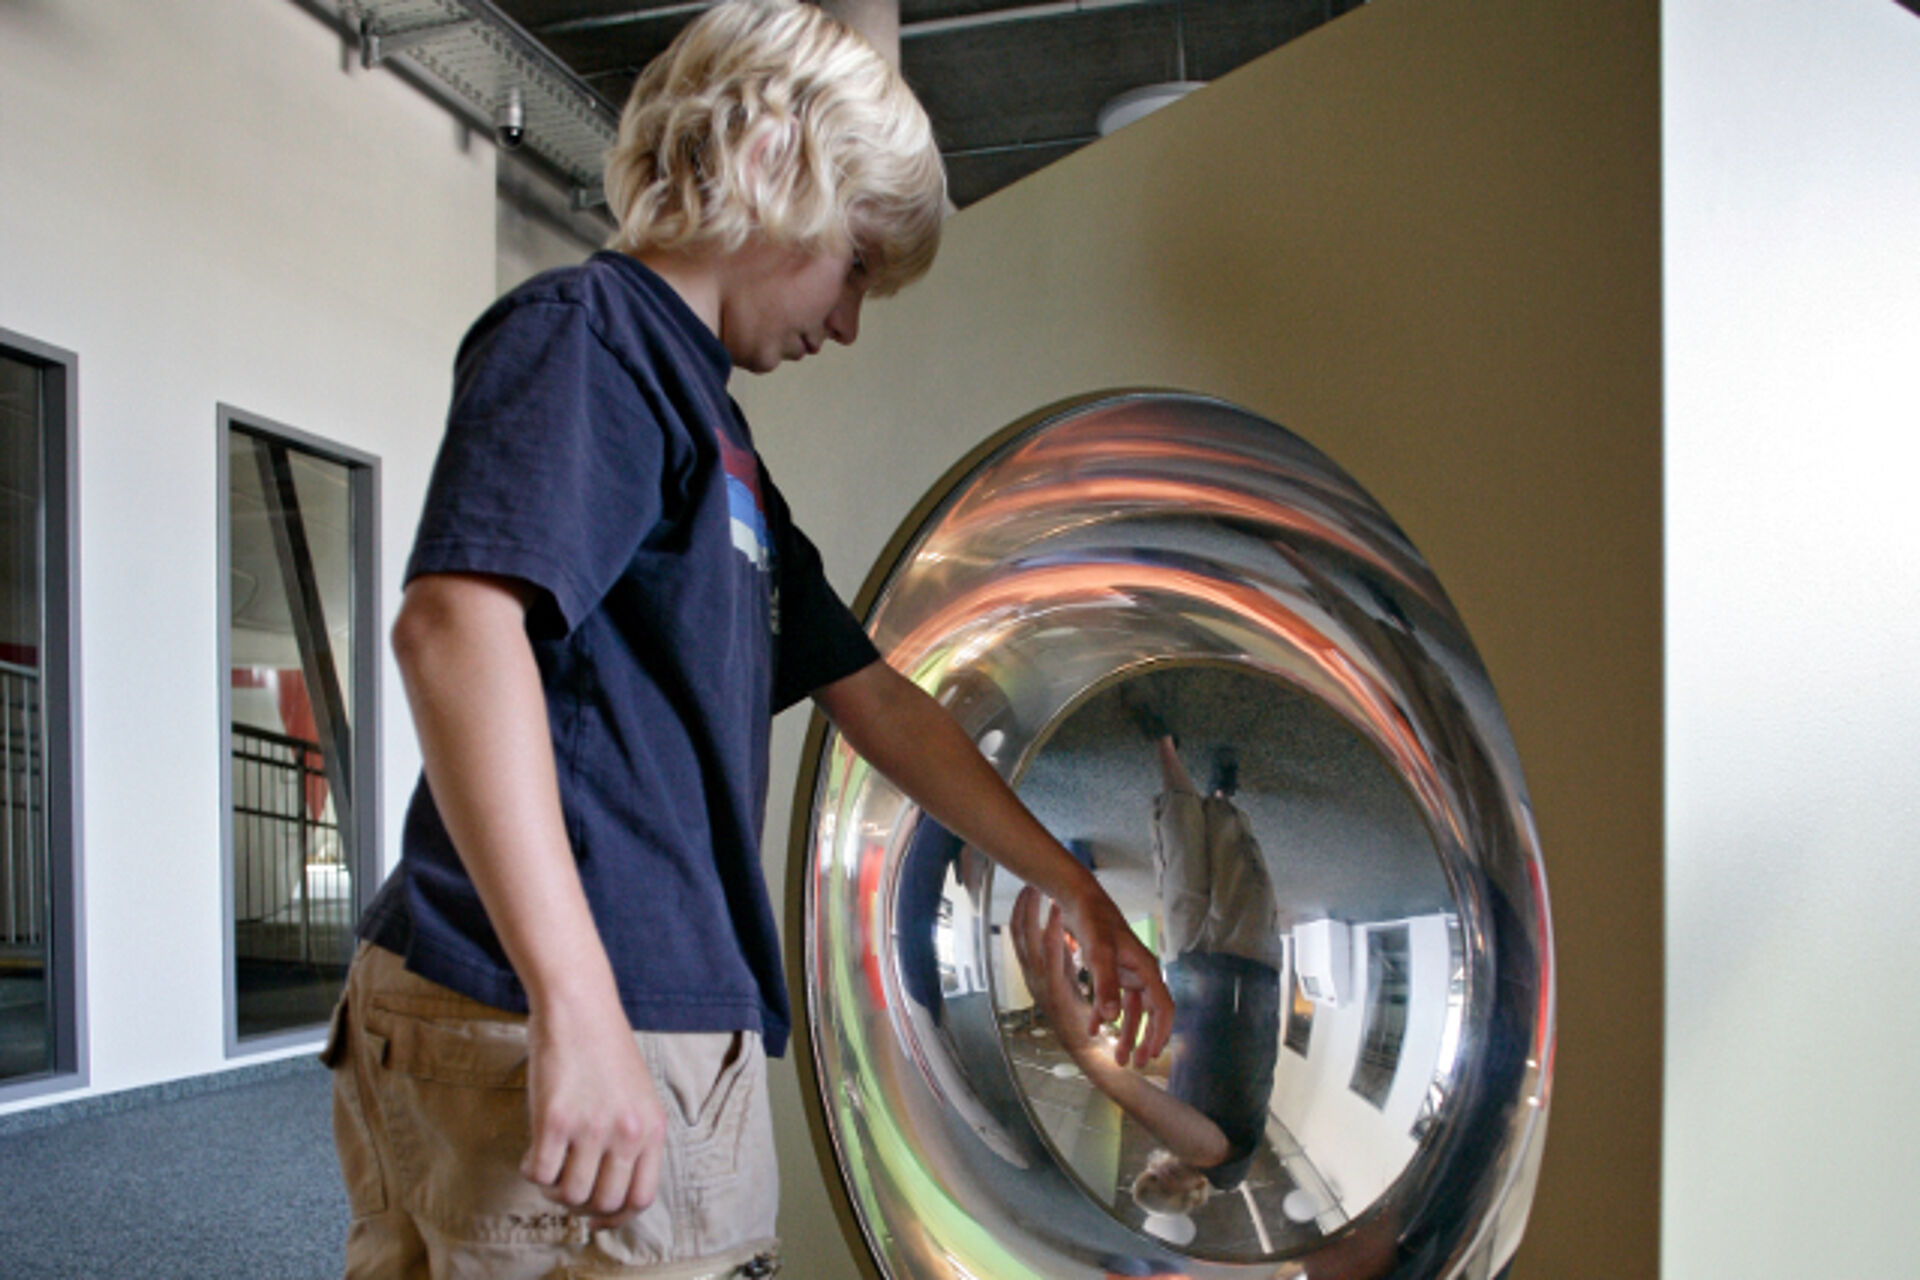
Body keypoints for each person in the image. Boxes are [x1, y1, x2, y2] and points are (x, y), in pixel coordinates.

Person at [319, 4, 1172, 1277]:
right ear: (774, 161)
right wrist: (578, 1001)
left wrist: (1074, 885)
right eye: (857, 266)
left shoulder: (716, 435)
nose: (850, 322)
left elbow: (878, 700)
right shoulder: (589, 335)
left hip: (644, 1001)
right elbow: (453, 626)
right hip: (554, 996)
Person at [1015, 708, 1281, 1228]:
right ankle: (1222, 796)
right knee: (1234, 855)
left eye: (1151, 1178)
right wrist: (1080, 1046)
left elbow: (1168, 1073)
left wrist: (1109, 1027)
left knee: (1179, 850)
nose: (1163, 1174)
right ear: (1189, 1196)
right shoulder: (1226, 1171)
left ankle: (1165, 745)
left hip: (1186, 971)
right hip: (1246, 975)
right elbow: (1192, 1136)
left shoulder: (1173, 1133)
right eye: (1166, 1188)